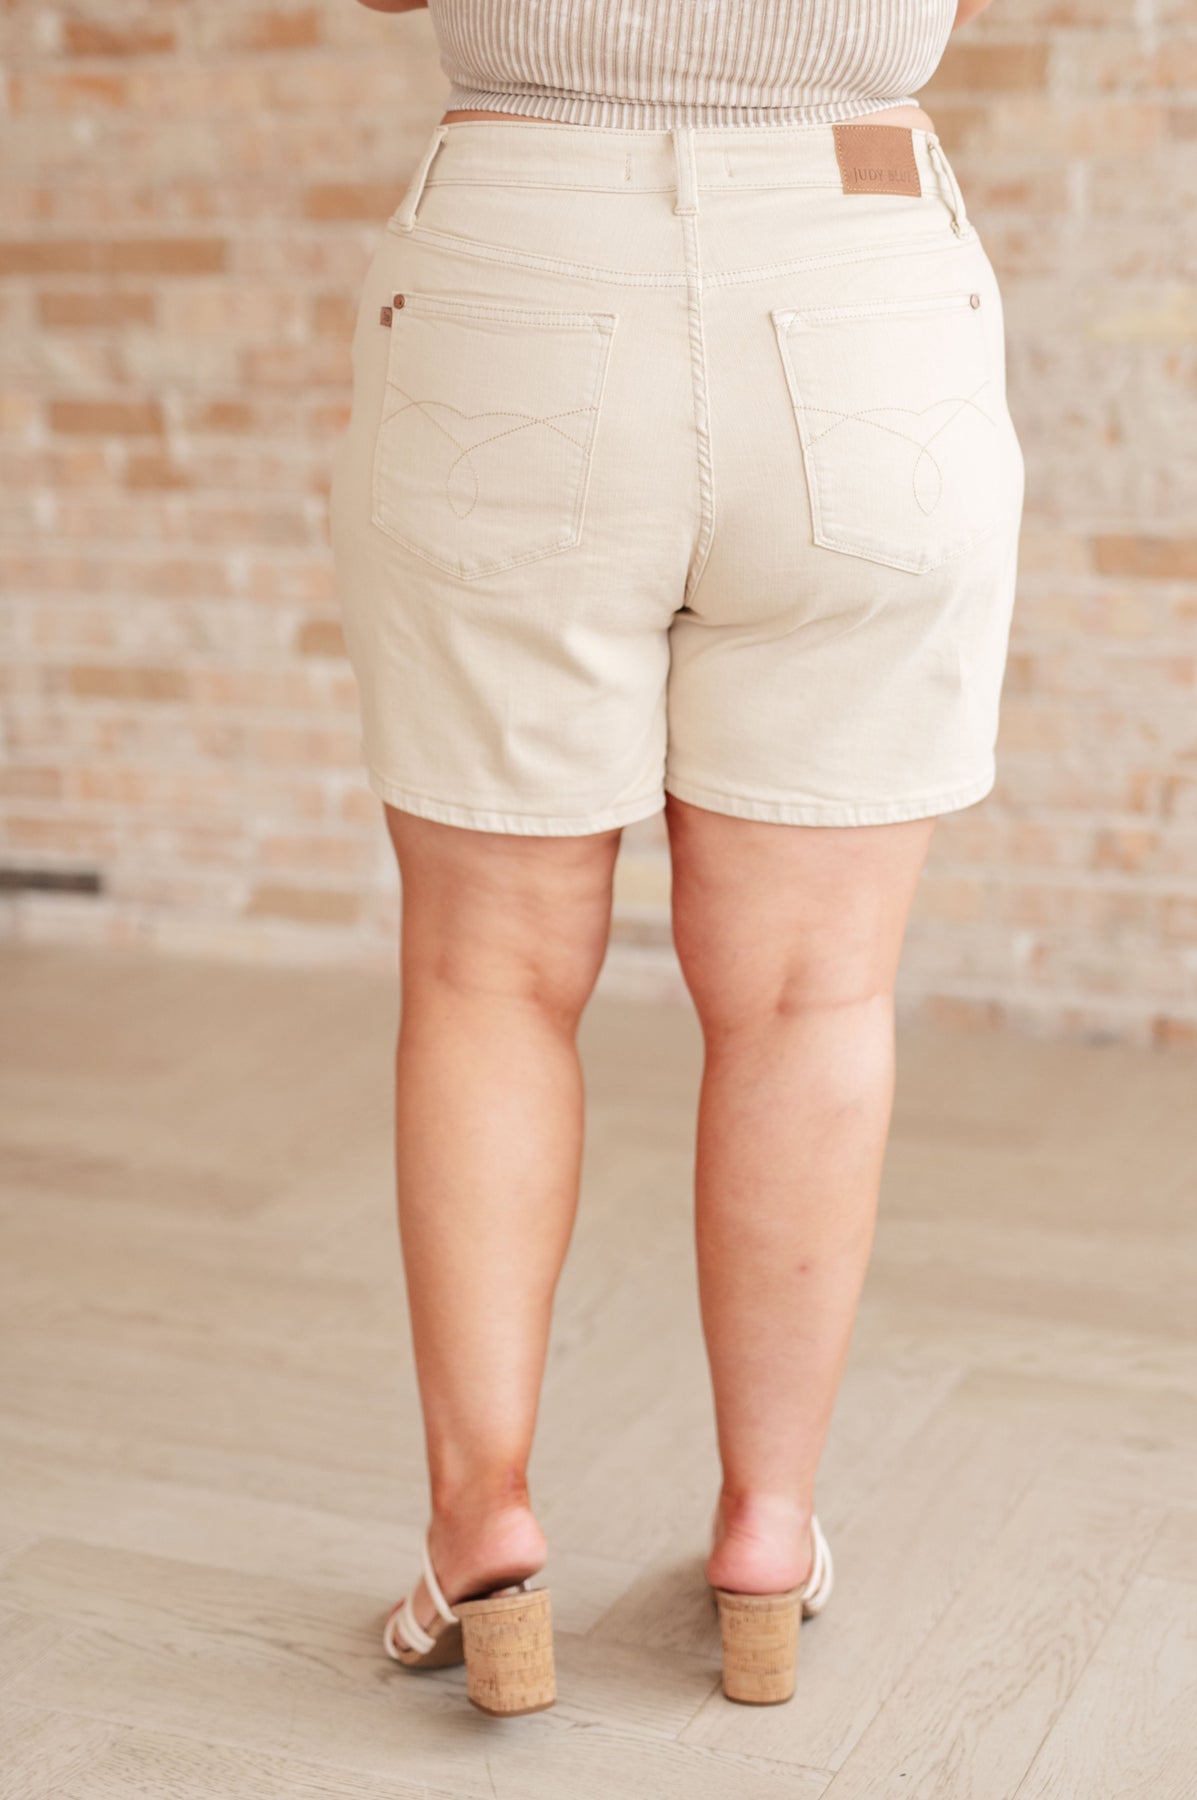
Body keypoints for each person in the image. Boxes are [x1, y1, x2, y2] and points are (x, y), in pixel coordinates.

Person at [330, 0, 1022, 1713]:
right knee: (810, 993)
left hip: (518, 256)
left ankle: (482, 1527)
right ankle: (766, 1530)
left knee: (489, 973)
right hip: (862, 273)